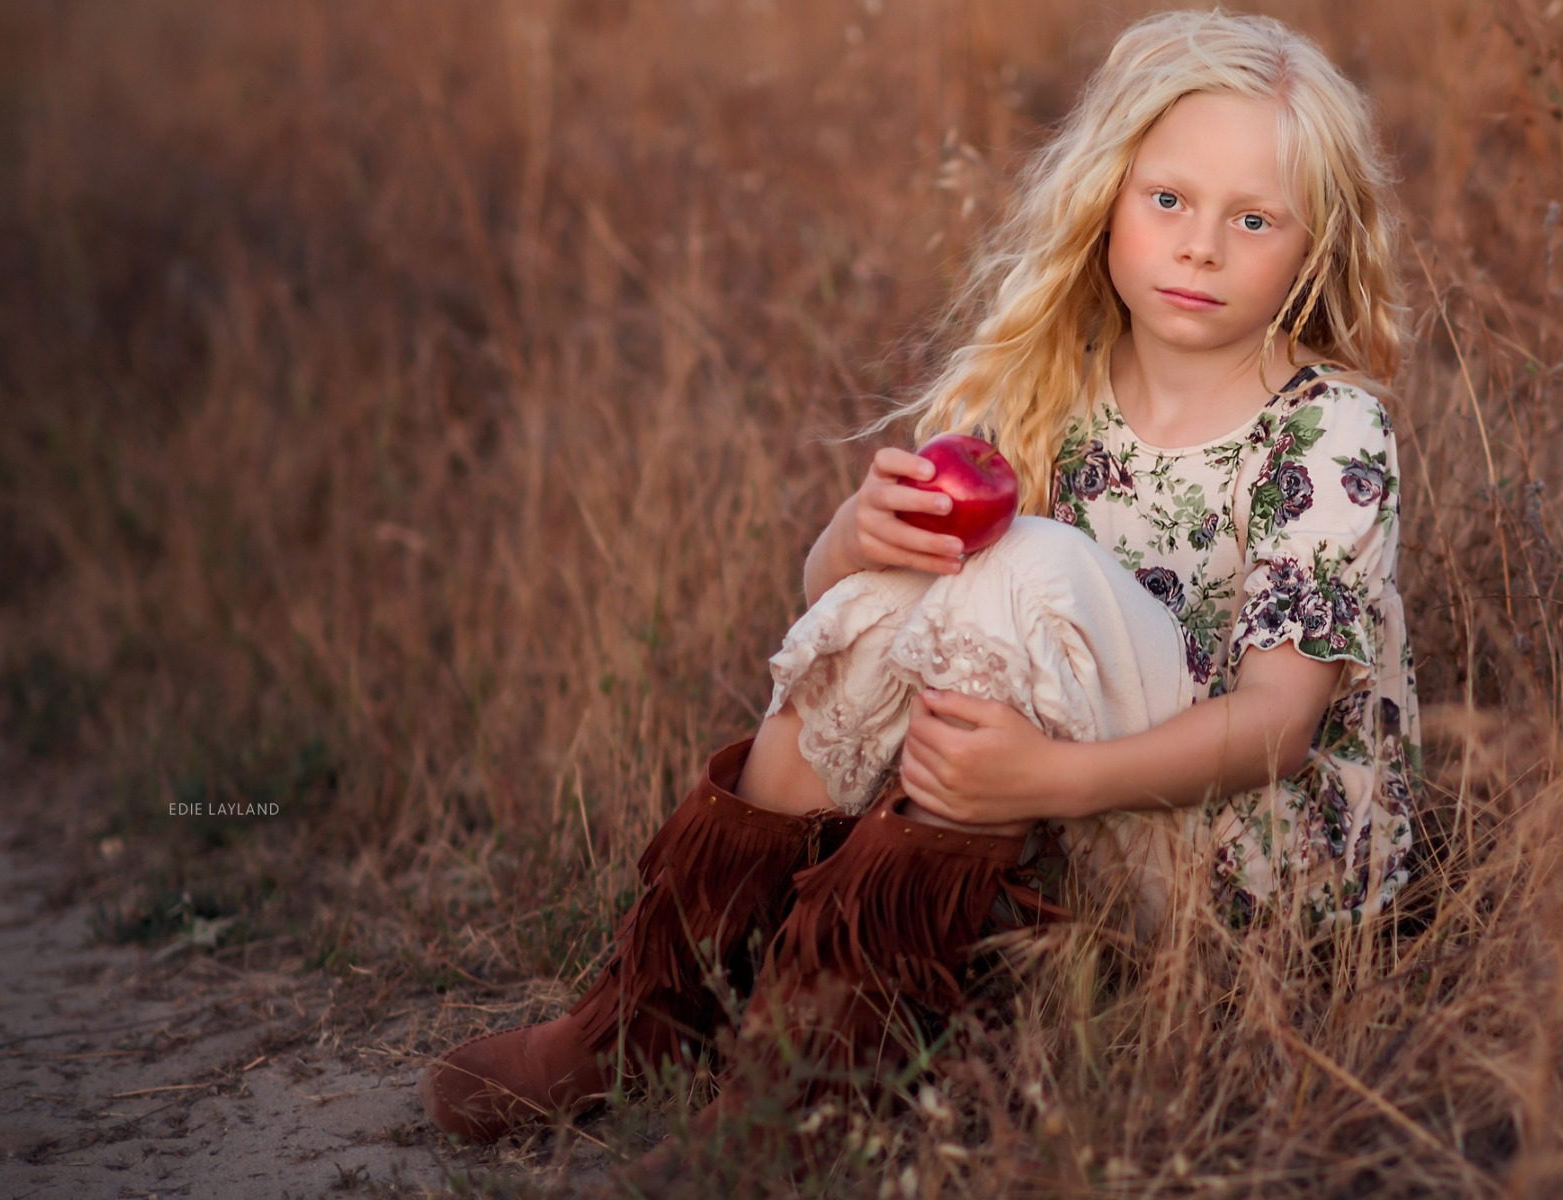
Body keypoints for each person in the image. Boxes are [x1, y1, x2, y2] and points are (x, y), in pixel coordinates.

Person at [418, 8, 1420, 1150]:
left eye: (1254, 219)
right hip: (1045, 836)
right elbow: (838, 610)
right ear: (1106, 197)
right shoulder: (1055, 385)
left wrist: (1044, 777)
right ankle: (651, 1012)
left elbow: (1279, 729)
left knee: (1026, 558)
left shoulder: (1326, 433)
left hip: (1236, 884)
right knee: (915, 577)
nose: (1201, 246)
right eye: (1168, 200)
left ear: (1315, 246)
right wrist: (853, 537)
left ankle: (823, 1067)